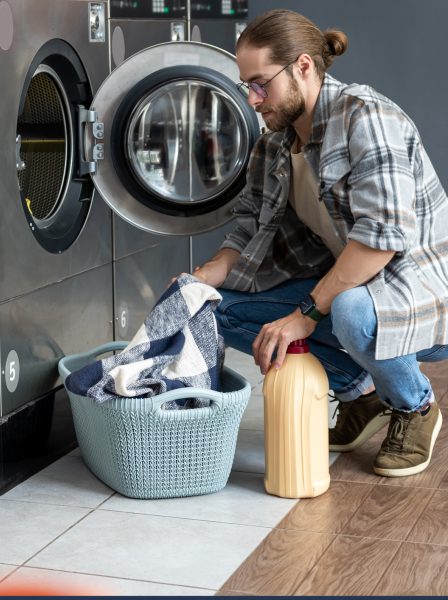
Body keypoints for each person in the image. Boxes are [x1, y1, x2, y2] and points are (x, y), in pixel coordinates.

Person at [191, 9, 448, 477]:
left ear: (304, 67)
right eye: (247, 85)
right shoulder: (273, 145)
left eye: (260, 83)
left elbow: (380, 241)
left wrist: (304, 316)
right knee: (210, 309)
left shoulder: (365, 117)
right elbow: (249, 227)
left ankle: (416, 407)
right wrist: (204, 277)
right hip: (349, 287)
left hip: (416, 292)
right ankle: (361, 397)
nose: (252, 98)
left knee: (349, 310)